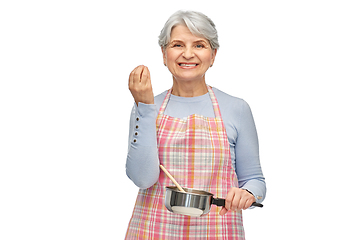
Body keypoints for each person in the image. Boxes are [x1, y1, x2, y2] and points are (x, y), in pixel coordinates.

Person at [125, 10, 266, 239]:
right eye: (177, 45)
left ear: (213, 54)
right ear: (164, 54)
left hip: (218, 231)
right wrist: (144, 106)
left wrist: (248, 193)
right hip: (153, 231)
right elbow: (142, 178)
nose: (188, 54)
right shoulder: (147, 106)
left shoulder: (237, 108)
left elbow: (255, 180)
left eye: (199, 45)